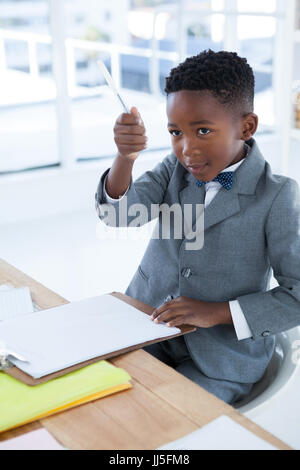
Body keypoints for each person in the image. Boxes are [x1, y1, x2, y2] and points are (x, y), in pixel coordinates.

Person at [95, 50, 300, 404]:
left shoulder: (278, 195)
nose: (186, 149)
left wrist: (215, 312)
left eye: (203, 130)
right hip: (145, 328)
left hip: (220, 359)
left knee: (167, 418)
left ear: (247, 126)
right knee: (99, 399)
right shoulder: (171, 170)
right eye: (176, 132)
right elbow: (118, 216)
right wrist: (125, 159)